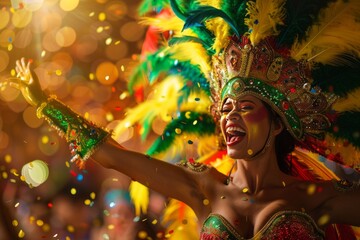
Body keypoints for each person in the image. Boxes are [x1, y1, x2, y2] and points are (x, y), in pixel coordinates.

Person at [3, 0, 360, 239]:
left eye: (245, 107)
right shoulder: (203, 189)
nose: (229, 116)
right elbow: (114, 156)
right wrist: (43, 102)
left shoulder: (314, 196)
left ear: (279, 123)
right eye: (225, 108)